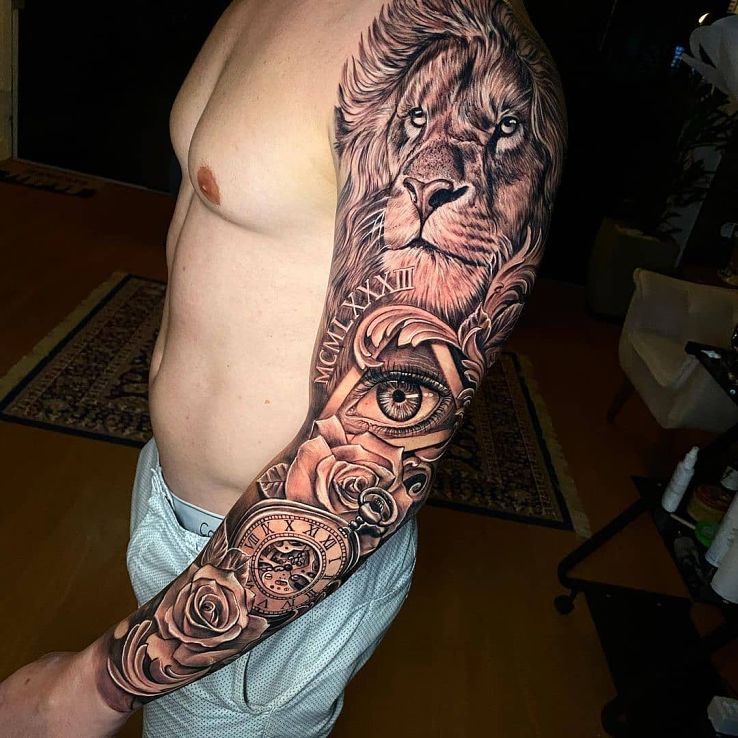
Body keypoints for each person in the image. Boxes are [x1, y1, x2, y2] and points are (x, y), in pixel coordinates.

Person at [0, 0, 565, 735]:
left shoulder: (465, 55)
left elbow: (375, 464)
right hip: (187, 505)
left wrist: (91, 687)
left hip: (278, 568)